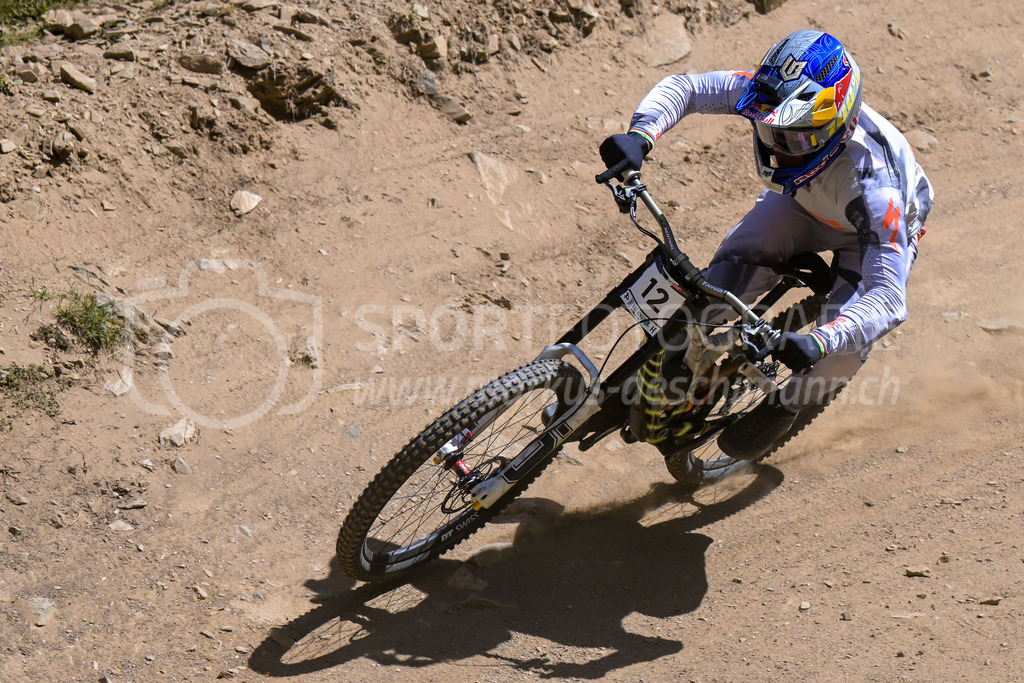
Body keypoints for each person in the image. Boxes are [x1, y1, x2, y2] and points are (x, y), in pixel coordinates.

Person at [598, 30, 933, 461]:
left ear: (837, 125)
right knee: (714, 287)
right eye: (771, 131)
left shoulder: (876, 189)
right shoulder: (773, 93)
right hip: (804, 203)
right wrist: (642, 135)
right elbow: (689, 87)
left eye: (794, 139)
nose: (777, 150)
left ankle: (789, 403)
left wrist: (822, 341)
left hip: (867, 230)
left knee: (845, 347)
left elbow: (888, 298)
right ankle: (662, 367)